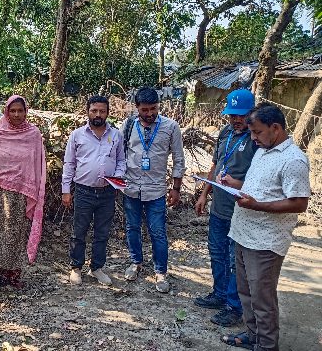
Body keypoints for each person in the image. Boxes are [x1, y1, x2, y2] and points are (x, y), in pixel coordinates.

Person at [218, 103, 310, 351]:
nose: (253, 138)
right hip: (243, 233)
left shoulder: (294, 160)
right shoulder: (261, 150)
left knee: (262, 298)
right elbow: (257, 188)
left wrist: (257, 206)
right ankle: (253, 334)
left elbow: (299, 203)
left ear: (276, 128)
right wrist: (232, 183)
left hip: (266, 242)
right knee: (246, 292)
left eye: (257, 132)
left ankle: (267, 345)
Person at [193, 89, 258, 327]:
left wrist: (239, 186)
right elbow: (215, 165)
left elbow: (261, 180)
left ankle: (234, 306)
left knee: (234, 260)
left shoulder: (256, 140)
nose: (236, 120)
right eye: (232, 115)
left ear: (252, 113)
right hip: (218, 208)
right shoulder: (225, 133)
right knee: (217, 253)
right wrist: (203, 195)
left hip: (240, 212)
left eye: (241, 115)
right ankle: (219, 294)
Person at [0, 95, 47, 289]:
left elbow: (38, 166)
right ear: (6, 111)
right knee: (0, 234)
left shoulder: (33, 135)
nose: (16, 114)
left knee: (17, 235)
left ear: (26, 112)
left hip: (22, 193)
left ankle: (14, 277)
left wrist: (36, 193)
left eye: (20, 110)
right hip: (0, 194)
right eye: (12, 110)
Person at [120, 87, 186, 293]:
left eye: (153, 109)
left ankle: (161, 272)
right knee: (132, 228)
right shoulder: (129, 124)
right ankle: (136, 262)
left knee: (157, 232)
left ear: (159, 106)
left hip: (156, 190)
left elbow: (178, 158)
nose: (149, 114)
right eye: (145, 110)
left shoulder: (170, 127)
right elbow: (120, 153)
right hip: (131, 188)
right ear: (137, 108)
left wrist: (176, 188)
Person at [62, 95, 126, 286]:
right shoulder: (77, 135)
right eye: (94, 110)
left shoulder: (116, 135)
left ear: (108, 113)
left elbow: (121, 160)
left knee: (102, 232)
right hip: (83, 191)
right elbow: (69, 163)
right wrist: (66, 190)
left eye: (102, 111)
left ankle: (97, 267)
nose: (98, 114)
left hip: (107, 193)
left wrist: (118, 177)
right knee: (79, 231)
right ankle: (76, 268)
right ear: (87, 111)